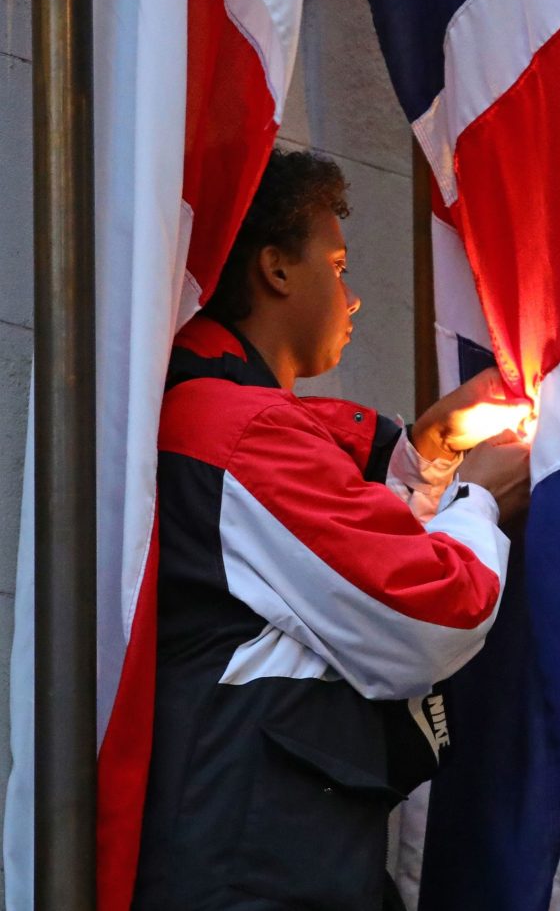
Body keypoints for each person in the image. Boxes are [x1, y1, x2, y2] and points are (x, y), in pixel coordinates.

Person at [132, 149, 531, 910]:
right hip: (246, 870)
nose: (351, 299)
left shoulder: (236, 424)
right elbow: (425, 614)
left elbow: (326, 577)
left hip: (272, 854)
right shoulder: (235, 429)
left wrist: (432, 455)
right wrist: (477, 501)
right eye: (338, 265)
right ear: (277, 270)